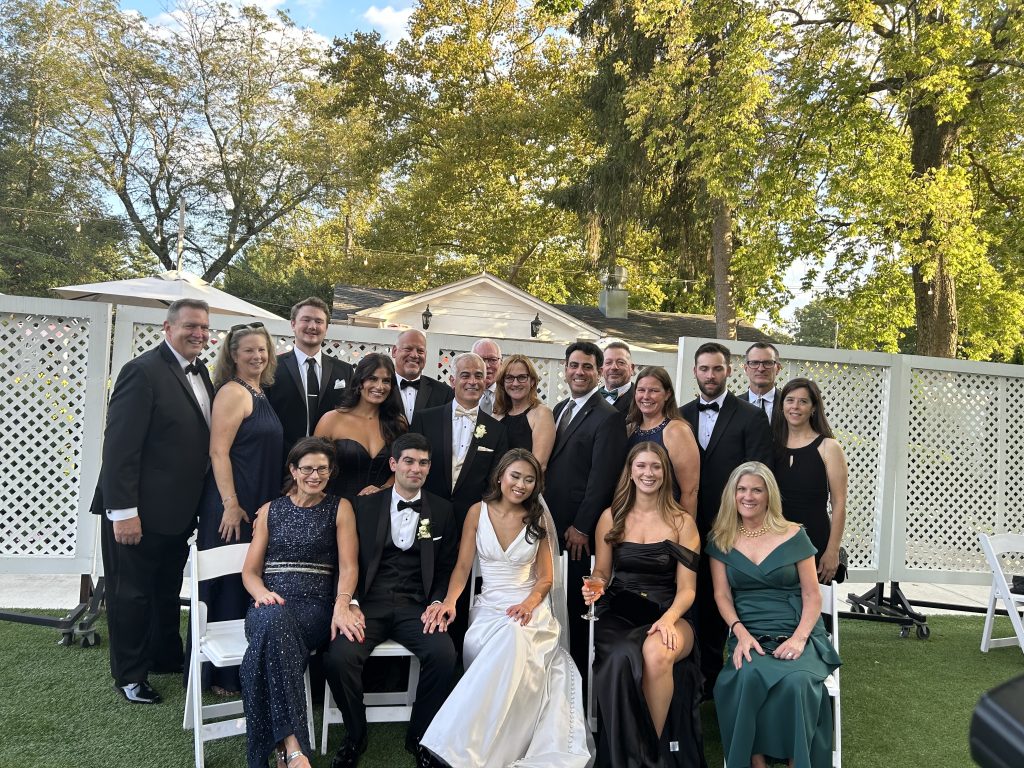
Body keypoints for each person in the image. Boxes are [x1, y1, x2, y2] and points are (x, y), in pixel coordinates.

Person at [420, 449, 593, 768]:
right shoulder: (477, 512)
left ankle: (454, 749)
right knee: (492, 642)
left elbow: (546, 577)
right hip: (489, 606)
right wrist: (450, 602)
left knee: (515, 637)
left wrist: (528, 604)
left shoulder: (536, 517)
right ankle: (464, 744)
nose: (521, 485)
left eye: (529, 480)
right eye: (515, 476)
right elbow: (461, 568)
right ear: (500, 477)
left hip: (530, 605)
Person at [91, 298, 214, 704]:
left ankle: (163, 657)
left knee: (163, 592)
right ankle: (129, 675)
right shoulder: (141, 372)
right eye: (190, 326)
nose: (198, 333)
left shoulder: (204, 375)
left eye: (204, 328)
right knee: (131, 595)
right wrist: (124, 514)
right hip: (136, 514)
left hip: (177, 515)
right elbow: (120, 448)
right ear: (168, 327)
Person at [324, 433, 459, 768]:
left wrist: (439, 601)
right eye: (409, 461)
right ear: (394, 464)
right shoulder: (363, 505)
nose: (416, 469)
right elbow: (346, 561)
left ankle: (420, 736)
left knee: (444, 655)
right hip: (369, 603)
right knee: (339, 657)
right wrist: (350, 602)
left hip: (417, 605)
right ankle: (356, 735)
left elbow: (446, 567)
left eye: (423, 462)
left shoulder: (442, 510)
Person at [706, 462, 841, 768]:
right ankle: (757, 763)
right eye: (741, 489)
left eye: (757, 489)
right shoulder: (721, 538)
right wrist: (740, 633)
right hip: (749, 630)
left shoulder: (794, 535)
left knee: (797, 683)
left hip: (798, 628)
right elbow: (722, 595)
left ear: (769, 495)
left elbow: (811, 594)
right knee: (746, 677)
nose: (748, 496)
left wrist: (799, 639)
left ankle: (797, 761)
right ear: (732, 494)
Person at [585, 442, 705, 768]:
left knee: (656, 652)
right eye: (641, 466)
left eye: (655, 466)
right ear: (630, 471)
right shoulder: (612, 517)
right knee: (621, 655)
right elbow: (602, 573)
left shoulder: (682, 523)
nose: (648, 473)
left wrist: (668, 619)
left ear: (665, 473)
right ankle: (629, 753)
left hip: (671, 609)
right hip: (620, 609)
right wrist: (594, 587)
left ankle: (651, 753)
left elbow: (687, 589)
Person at [239, 438, 357, 768]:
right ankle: (293, 747)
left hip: (315, 607)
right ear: (294, 470)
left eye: (322, 469)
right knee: (273, 622)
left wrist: (342, 603)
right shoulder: (271, 510)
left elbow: (349, 566)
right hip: (268, 604)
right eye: (307, 469)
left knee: (269, 639)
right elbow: (249, 572)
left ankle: (280, 748)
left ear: (330, 472)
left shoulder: (340, 507)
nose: (315, 475)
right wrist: (261, 594)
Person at [194, 321, 284, 694]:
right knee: (228, 581)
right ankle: (221, 677)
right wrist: (231, 504)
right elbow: (218, 450)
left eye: (262, 349)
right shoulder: (233, 392)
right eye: (248, 350)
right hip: (231, 505)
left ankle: (243, 668)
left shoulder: (259, 391)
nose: (257, 356)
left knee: (244, 577)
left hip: (254, 502)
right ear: (233, 354)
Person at [680, 341, 774, 692]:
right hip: (687, 524)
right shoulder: (681, 414)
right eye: (704, 368)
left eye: (717, 368)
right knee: (693, 597)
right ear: (695, 372)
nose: (710, 375)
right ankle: (695, 678)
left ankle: (731, 677)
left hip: (733, 527)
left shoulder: (751, 416)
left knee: (728, 599)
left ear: (729, 371)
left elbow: (760, 475)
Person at [545, 340, 628, 688]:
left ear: (597, 372)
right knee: (554, 598)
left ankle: (578, 677)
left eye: (587, 367)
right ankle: (554, 665)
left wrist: (582, 525)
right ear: (565, 369)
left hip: (578, 533)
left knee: (578, 605)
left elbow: (602, 478)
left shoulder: (608, 419)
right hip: (551, 523)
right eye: (574, 365)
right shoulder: (559, 409)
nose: (579, 372)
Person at [411, 352, 508, 528]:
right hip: (425, 514)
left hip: (471, 521)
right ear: (452, 381)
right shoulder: (425, 420)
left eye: (479, 376)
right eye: (465, 375)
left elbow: (495, 481)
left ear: (485, 381)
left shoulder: (497, 431)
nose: (472, 381)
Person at [773, 378, 848, 583]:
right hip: (773, 539)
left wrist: (832, 550)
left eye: (803, 401)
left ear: (814, 407)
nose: (795, 407)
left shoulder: (829, 447)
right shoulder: (769, 445)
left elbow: (839, 503)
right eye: (789, 400)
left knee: (813, 607)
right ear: (781, 406)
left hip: (814, 540)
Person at [265, 296, 354, 456]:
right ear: (293, 324)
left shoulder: (344, 371)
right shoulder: (271, 367)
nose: (312, 326)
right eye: (306, 320)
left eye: (319, 322)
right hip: (281, 461)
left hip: (328, 466)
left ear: (326, 327)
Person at [314, 353, 406, 503]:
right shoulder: (331, 420)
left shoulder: (398, 423)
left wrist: (383, 488)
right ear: (359, 381)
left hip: (380, 510)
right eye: (373, 379)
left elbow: (404, 465)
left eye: (386, 381)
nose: (380, 386)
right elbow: (312, 466)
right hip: (334, 508)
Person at [625, 365, 700, 517]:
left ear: (667, 394)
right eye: (641, 390)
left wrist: (685, 532)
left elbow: (690, 491)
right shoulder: (629, 429)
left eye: (653, 391)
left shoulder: (677, 431)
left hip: (666, 518)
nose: (646, 396)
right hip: (632, 517)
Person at [491, 354, 556, 469]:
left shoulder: (542, 414)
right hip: (494, 484)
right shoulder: (497, 415)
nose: (515, 383)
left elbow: (539, 465)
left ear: (532, 381)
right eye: (509, 378)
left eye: (522, 377)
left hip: (523, 485)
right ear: (503, 382)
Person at [392, 329, 454, 424]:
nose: (414, 355)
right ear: (394, 351)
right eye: (408, 349)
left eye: (420, 351)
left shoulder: (444, 393)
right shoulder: (380, 388)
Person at [740, 343, 782, 422]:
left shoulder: (788, 405)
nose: (761, 369)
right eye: (754, 363)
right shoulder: (733, 405)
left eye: (768, 363)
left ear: (778, 368)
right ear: (746, 369)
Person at [600, 340, 636, 414]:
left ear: (632, 368)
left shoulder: (640, 400)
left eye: (621, 362)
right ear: (601, 370)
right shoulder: (591, 397)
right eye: (608, 362)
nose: (614, 367)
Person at [471, 338, 502, 415]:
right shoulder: (461, 393)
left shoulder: (510, 394)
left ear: (501, 363)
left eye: (493, 360)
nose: (487, 365)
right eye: (481, 359)